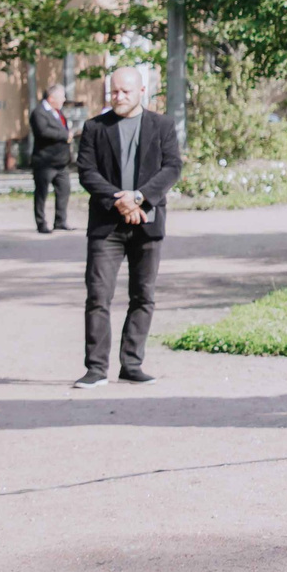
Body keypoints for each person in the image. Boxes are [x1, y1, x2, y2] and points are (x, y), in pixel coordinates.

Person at [76, 65, 183, 388]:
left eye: (124, 91)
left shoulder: (162, 125)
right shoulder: (95, 127)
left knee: (143, 295)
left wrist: (139, 198)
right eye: (114, 91)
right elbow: (86, 171)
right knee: (98, 296)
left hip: (147, 223)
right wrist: (118, 200)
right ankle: (96, 368)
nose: (118, 97)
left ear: (141, 92)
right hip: (106, 226)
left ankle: (131, 363)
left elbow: (172, 166)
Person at [29, 82, 76, 234]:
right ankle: (41, 223)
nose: (64, 99)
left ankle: (60, 221)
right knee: (41, 193)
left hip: (61, 162)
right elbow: (43, 132)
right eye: (61, 96)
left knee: (64, 191)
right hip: (45, 162)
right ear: (51, 98)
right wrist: (65, 135)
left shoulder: (58, 112)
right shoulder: (39, 113)